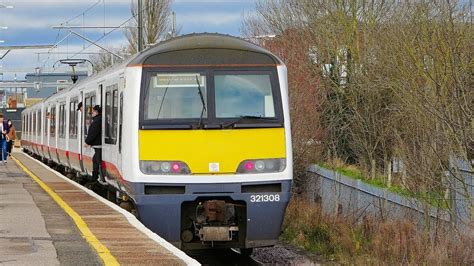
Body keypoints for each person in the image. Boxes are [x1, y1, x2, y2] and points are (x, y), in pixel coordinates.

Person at [85, 105, 103, 183]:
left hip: (98, 144)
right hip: (98, 144)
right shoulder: (98, 119)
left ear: (96, 112)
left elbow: (93, 132)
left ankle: (95, 177)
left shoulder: (97, 120)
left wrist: (87, 142)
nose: (92, 113)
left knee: (97, 160)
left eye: (93, 111)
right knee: (96, 159)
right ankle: (95, 176)